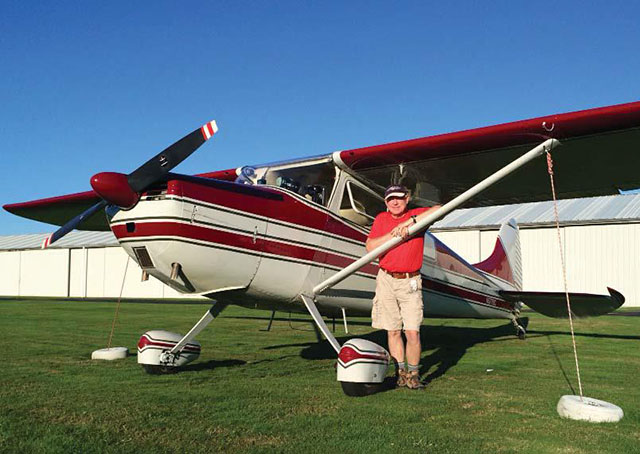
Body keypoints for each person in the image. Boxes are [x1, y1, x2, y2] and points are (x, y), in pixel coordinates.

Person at [366, 184, 441, 389]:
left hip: (410, 281)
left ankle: (414, 374)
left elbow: (441, 208)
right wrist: (396, 234)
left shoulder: (416, 215)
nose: (395, 202)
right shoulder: (381, 219)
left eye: (399, 198)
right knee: (392, 331)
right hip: (386, 279)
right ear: (386, 202)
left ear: (407, 199)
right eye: (390, 199)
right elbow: (370, 247)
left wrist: (411, 223)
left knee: (412, 332)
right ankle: (401, 372)